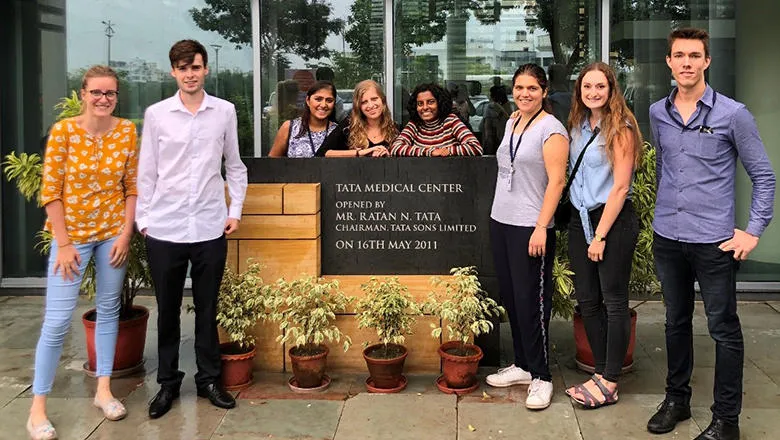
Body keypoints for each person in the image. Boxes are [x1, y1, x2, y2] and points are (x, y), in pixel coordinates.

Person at [646, 28, 775, 440]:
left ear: (707, 62)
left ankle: (727, 421)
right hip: (668, 236)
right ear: (669, 62)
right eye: (679, 55)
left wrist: (752, 232)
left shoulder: (733, 114)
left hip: (714, 241)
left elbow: (764, 178)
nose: (686, 62)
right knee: (675, 322)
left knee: (723, 329)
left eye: (694, 55)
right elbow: (666, 167)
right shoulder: (657, 112)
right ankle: (677, 401)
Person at [137, 39, 248, 419]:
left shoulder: (224, 112)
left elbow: (234, 165)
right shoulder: (157, 115)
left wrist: (236, 209)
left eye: (196, 67)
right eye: (183, 68)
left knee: (207, 308)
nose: (189, 74)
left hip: (210, 226)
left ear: (205, 69)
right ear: (173, 71)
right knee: (167, 310)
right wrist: (144, 220)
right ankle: (167, 385)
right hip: (165, 229)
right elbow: (146, 171)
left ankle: (209, 381)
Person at [28, 65, 138, 439]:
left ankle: (103, 389)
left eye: (110, 93)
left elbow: (132, 186)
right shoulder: (64, 132)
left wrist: (125, 234)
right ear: (82, 94)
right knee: (57, 320)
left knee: (109, 311)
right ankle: (37, 408)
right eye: (96, 93)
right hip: (70, 239)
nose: (103, 99)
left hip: (111, 235)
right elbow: (50, 190)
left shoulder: (126, 131)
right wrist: (62, 242)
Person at [485, 64, 569, 410]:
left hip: (530, 227)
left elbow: (557, 182)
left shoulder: (552, 130)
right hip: (501, 220)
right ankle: (522, 364)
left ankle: (542, 376)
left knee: (533, 302)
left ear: (544, 91)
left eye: (532, 88)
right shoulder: (512, 121)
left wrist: (540, 227)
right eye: (519, 87)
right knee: (512, 297)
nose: (524, 94)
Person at [562, 62, 643, 409]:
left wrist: (601, 236)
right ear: (579, 90)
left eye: (600, 86)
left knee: (614, 301)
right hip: (580, 220)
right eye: (587, 87)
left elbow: (621, 185)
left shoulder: (620, 127)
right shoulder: (577, 125)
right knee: (588, 299)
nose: (593, 92)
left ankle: (611, 380)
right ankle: (599, 373)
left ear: (611, 90)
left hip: (611, 221)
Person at [391, 83, 482, 157]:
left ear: (440, 103)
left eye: (431, 102)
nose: (425, 107)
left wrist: (448, 151)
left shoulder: (451, 121)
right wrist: (429, 152)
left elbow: (475, 147)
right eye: (420, 103)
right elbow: (395, 148)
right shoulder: (414, 124)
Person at [316, 80, 396, 158]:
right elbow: (322, 153)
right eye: (364, 102)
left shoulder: (395, 129)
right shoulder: (348, 126)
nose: (371, 105)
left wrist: (389, 155)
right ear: (358, 106)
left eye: (374, 99)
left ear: (383, 100)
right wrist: (359, 153)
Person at [269, 81, 338, 158]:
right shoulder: (289, 128)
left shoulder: (338, 131)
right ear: (308, 101)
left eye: (329, 100)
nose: (323, 105)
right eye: (318, 99)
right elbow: (272, 163)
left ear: (334, 103)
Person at [479, 85, 510, 155]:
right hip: (504, 141)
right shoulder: (509, 106)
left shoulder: (490, 107)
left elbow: (487, 129)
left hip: (494, 141)